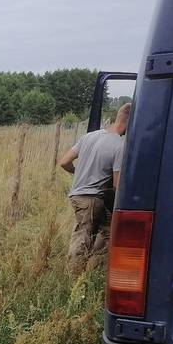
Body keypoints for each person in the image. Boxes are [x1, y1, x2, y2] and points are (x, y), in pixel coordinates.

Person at [58, 102, 131, 274]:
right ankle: (73, 280)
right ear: (130, 121)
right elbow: (116, 184)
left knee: (107, 232)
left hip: (77, 195)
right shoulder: (119, 146)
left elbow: (64, 162)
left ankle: (90, 267)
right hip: (91, 199)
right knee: (82, 238)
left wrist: (80, 175)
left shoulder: (90, 136)